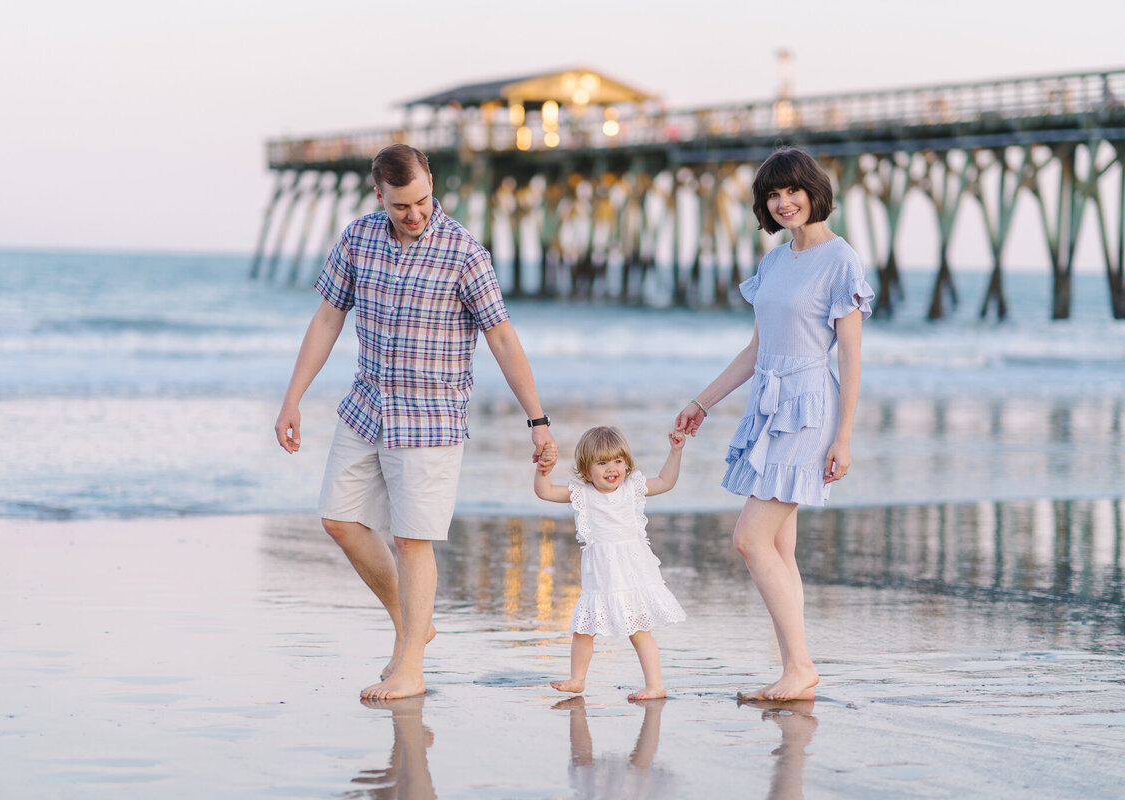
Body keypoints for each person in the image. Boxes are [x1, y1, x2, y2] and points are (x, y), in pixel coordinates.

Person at [274, 143, 556, 700]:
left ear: (432, 183)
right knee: (338, 519)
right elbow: (328, 318)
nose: (415, 213)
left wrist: (538, 421)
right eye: (401, 205)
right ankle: (414, 624)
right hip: (366, 408)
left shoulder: (463, 252)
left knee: (412, 541)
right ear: (378, 195)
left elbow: (502, 336)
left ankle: (411, 666)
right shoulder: (357, 238)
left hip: (430, 419)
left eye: (423, 200)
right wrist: (292, 399)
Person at [674, 146, 874, 701]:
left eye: (794, 191)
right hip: (768, 399)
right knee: (779, 548)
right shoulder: (775, 261)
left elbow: (852, 358)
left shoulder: (842, 261)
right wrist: (703, 401)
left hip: (810, 406)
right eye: (773, 194)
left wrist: (845, 437)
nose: (784, 202)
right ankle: (796, 669)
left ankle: (801, 666)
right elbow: (757, 348)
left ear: (815, 191)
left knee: (750, 539)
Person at [534, 426, 687, 701]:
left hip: (631, 574)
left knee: (639, 631)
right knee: (583, 629)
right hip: (600, 577)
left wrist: (675, 451)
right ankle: (577, 679)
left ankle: (655, 685)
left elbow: (666, 481)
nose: (611, 468)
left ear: (627, 463)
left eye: (618, 461)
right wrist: (543, 469)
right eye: (602, 463)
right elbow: (544, 492)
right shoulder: (583, 494)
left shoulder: (632, 489)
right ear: (586, 468)